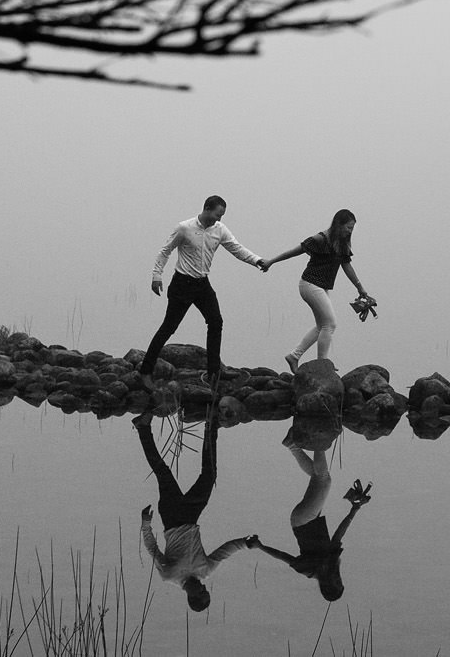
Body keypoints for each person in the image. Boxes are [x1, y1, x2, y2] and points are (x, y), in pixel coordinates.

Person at [140, 194, 268, 386]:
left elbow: (237, 249)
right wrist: (156, 276)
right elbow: (165, 251)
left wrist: (257, 260)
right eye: (218, 214)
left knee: (216, 322)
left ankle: (214, 373)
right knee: (169, 328)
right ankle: (145, 371)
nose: (220, 219)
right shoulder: (185, 228)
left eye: (222, 215)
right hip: (182, 284)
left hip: (202, 285)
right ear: (207, 208)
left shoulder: (220, 230)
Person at [135, 410, 257, 612]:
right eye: (205, 590)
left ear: (191, 597)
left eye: (201, 592)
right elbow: (225, 551)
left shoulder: (169, 575)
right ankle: (211, 427)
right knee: (209, 476)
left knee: (162, 471)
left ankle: (143, 427)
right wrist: (245, 543)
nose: (202, 586)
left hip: (172, 517)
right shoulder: (205, 571)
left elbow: (152, 549)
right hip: (191, 515)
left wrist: (146, 523)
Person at [264, 207, 376, 371]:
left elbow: (346, 266)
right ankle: (322, 365)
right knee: (329, 324)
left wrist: (361, 289)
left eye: (352, 228)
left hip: (321, 287)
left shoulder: (342, 243)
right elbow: (296, 251)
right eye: (348, 227)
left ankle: (294, 356)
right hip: (309, 284)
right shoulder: (321, 239)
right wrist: (271, 261)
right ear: (339, 224)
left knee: (322, 326)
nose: (350, 231)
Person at [254, 447, 370, 601]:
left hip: (304, 520)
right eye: (340, 581)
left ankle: (319, 440)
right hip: (305, 519)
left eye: (336, 583)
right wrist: (354, 510)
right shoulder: (331, 562)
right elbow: (338, 535)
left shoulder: (309, 571)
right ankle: (292, 444)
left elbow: (283, 556)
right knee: (316, 476)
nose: (338, 579)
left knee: (324, 479)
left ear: (326, 585)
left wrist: (260, 546)